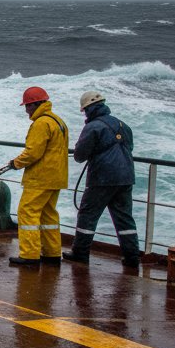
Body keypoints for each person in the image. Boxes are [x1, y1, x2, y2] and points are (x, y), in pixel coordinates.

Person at [62, 90, 141, 267]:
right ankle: (132, 257)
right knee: (124, 218)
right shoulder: (123, 125)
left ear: (88, 109)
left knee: (88, 215)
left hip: (102, 178)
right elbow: (130, 147)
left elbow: (80, 155)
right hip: (126, 177)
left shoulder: (93, 127)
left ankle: (80, 253)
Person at [7, 86, 69, 265]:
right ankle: (52, 253)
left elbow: (33, 152)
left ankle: (29, 255)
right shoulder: (58, 121)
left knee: (27, 212)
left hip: (40, 178)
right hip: (56, 177)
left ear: (35, 104)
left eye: (27, 106)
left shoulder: (41, 124)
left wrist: (15, 163)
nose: (26, 110)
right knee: (48, 215)